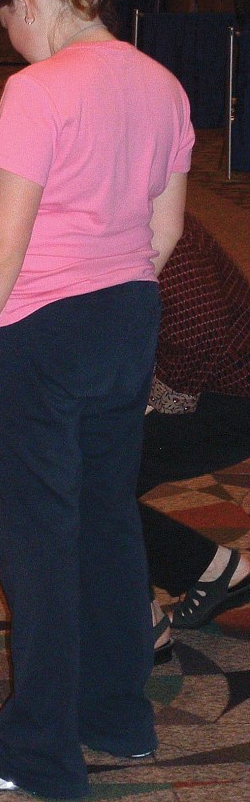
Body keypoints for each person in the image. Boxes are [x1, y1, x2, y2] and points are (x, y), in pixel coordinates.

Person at [0, 0, 194, 799]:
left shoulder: (39, 91)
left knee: (37, 539)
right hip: (129, 316)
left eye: (4, 23)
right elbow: (164, 233)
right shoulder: (162, 83)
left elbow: (2, 242)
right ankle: (119, 717)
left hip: (40, 329)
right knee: (105, 521)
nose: (9, 41)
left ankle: (36, 750)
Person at [141, 213, 250, 660]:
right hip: (218, 385)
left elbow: (198, 328)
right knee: (89, 479)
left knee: (89, 480)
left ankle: (140, 623)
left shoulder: (141, 214)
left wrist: (157, 402)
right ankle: (213, 571)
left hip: (226, 394)